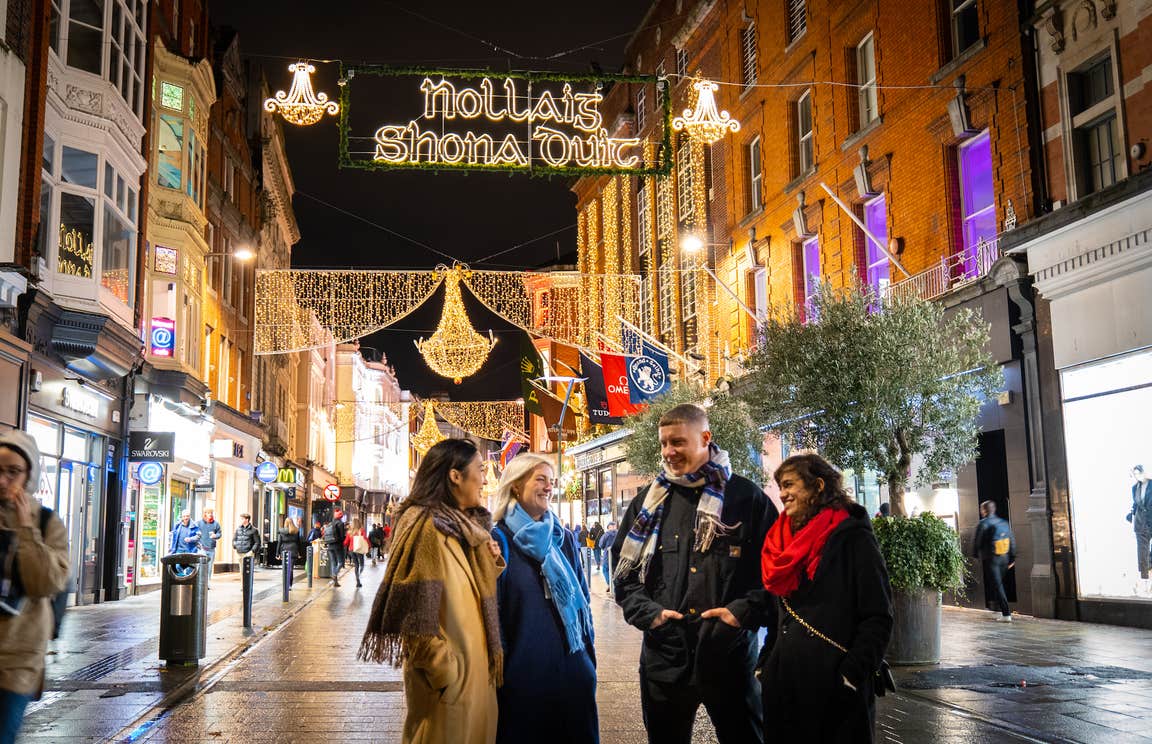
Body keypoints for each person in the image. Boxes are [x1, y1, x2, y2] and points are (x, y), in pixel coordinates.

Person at [611, 403, 776, 744]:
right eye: (664, 443)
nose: (668, 452)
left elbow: (774, 574)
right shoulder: (647, 503)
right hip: (665, 657)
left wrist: (741, 612)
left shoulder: (747, 499)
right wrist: (651, 615)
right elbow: (624, 575)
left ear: (705, 438)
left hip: (729, 657)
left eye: (678, 442)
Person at [359, 438, 504, 744]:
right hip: (449, 693)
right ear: (455, 476)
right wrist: (446, 673)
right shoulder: (424, 528)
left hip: (473, 684)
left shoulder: (464, 529)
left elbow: (464, 592)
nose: (484, 479)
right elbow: (413, 617)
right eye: (480, 470)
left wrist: (489, 560)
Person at [759, 453, 893, 743]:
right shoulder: (781, 540)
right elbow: (777, 611)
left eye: (789, 485)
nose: (782, 494)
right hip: (784, 681)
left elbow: (878, 614)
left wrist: (851, 675)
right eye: (780, 486)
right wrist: (765, 664)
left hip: (834, 685)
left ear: (818, 486)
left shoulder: (853, 536)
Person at [491, 454, 597, 744]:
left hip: (573, 676)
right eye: (540, 480)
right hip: (524, 682)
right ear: (515, 486)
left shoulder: (563, 538)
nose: (549, 487)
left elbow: (583, 601)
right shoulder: (498, 541)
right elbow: (493, 615)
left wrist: (588, 664)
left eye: (551, 481)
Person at [0, 431, 69, 744]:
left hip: (18, 657)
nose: (3, 480)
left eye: (13, 471)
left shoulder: (46, 523)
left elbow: (44, 583)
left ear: (30, 475)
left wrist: (26, 529)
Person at [973, 501, 1016, 622]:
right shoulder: (1004, 522)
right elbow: (1011, 540)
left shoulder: (983, 523)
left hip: (992, 559)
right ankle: (997, 607)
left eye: (982, 509)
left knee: (997, 585)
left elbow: (977, 541)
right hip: (1005, 557)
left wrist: (975, 555)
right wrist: (1012, 558)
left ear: (984, 510)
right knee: (998, 584)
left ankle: (1006, 614)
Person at [1128, 465, 1152, 586]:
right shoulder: (1134, 488)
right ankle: (1144, 578)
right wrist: (1131, 513)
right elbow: (1136, 503)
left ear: (1144, 472)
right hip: (1140, 522)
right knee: (1142, 549)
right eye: (1135, 474)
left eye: (1139, 473)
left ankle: (1150, 565)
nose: (1137, 476)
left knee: (1148, 551)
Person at [196, 509, 223, 583]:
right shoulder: (199, 523)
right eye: (208, 513)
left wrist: (215, 535)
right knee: (202, 566)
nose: (210, 514)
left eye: (211, 513)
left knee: (209, 567)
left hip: (211, 549)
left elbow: (219, 533)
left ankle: (207, 584)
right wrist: (197, 543)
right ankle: (200, 583)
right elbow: (195, 533)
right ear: (205, 514)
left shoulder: (216, 524)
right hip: (202, 549)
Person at [344, 517, 368, 588]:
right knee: (362, 565)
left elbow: (346, 542)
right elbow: (365, 539)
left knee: (356, 565)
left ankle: (358, 581)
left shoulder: (349, 532)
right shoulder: (361, 531)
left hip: (351, 550)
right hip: (359, 549)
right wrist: (369, 546)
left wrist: (342, 544)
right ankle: (359, 577)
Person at [323, 514, 347, 587]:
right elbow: (342, 536)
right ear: (340, 517)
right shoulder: (340, 523)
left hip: (330, 545)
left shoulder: (330, 524)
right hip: (337, 546)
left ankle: (335, 582)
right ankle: (334, 574)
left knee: (333, 563)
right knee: (341, 562)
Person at [278, 517, 301, 587]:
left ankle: (285, 583)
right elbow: (298, 543)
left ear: (285, 523)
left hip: (284, 550)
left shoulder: (282, 531)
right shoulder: (296, 531)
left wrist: (277, 553)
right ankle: (290, 584)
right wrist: (299, 552)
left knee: (285, 568)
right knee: (291, 568)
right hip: (293, 550)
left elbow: (279, 543)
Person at [598, 522, 617, 591]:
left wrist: (605, 548)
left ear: (609, 527)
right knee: (615, 570)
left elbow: (601, 544)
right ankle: (616, 586)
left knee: (605, 569)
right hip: (617, 555)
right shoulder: (619, 534)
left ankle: (610, 584)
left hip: (608, 555)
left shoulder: (606, 535)